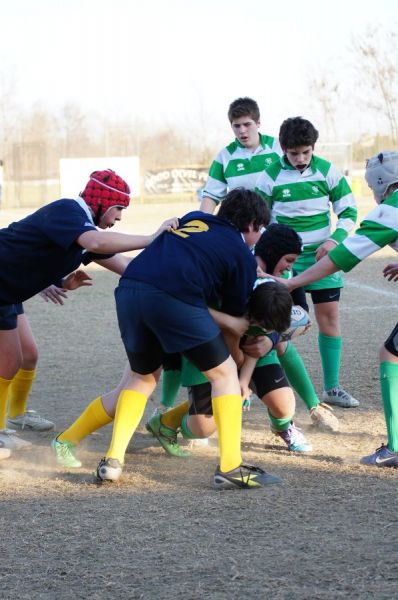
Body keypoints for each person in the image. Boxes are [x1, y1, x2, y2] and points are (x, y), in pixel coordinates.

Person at [93, 188, 284, 489]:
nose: (257, 236)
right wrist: (235, 361)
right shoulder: (241, 256)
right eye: (258, 229)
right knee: (224, 377)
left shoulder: (195, 217)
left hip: (129, 291)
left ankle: (113, 461)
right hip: (171, 299)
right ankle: (231, 467)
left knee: (141, 378)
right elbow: (233, 326)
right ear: (250, 225)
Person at [0, 168, 177, 457]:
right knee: (8, 362)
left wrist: (179, 272)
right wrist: (151, 237)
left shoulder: (85, 233)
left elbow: (130, 267)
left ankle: (9, 424)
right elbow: (95, 242)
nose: (119, 217)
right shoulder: (68, 211)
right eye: (118, 209)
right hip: (3, 284)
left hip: (8, 290)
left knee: (24, 356)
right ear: (102, 203)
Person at [159, 97, 282, 412]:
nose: (241, 131)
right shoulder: (225, 156)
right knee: (228, 314)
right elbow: (210, 197)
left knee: (273, 317)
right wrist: (205, 230)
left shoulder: (278, 150)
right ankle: (180, 402)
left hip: (268, 242)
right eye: (236, 126)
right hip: (234, 243)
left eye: (247, 125)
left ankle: (296, 406)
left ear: (258, 123)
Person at [281, 151, 398, 467]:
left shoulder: (391, 209)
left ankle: (395, 449)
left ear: (380, 183)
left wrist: (294, 284)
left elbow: (342, 256)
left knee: (391, 355)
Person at [255, 116, 359, 409]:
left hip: (323, 258)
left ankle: (332, 388)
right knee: (274, 322)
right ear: (283, 149)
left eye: (305, 152)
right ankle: (268, 385)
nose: (300, 159)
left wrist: (333, 240)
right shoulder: (271, 175)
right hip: (285, 261)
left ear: (313, 148)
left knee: (329, 320)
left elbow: (349, 211)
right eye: (293, 153)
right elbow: (259, 219)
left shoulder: (327, 171)